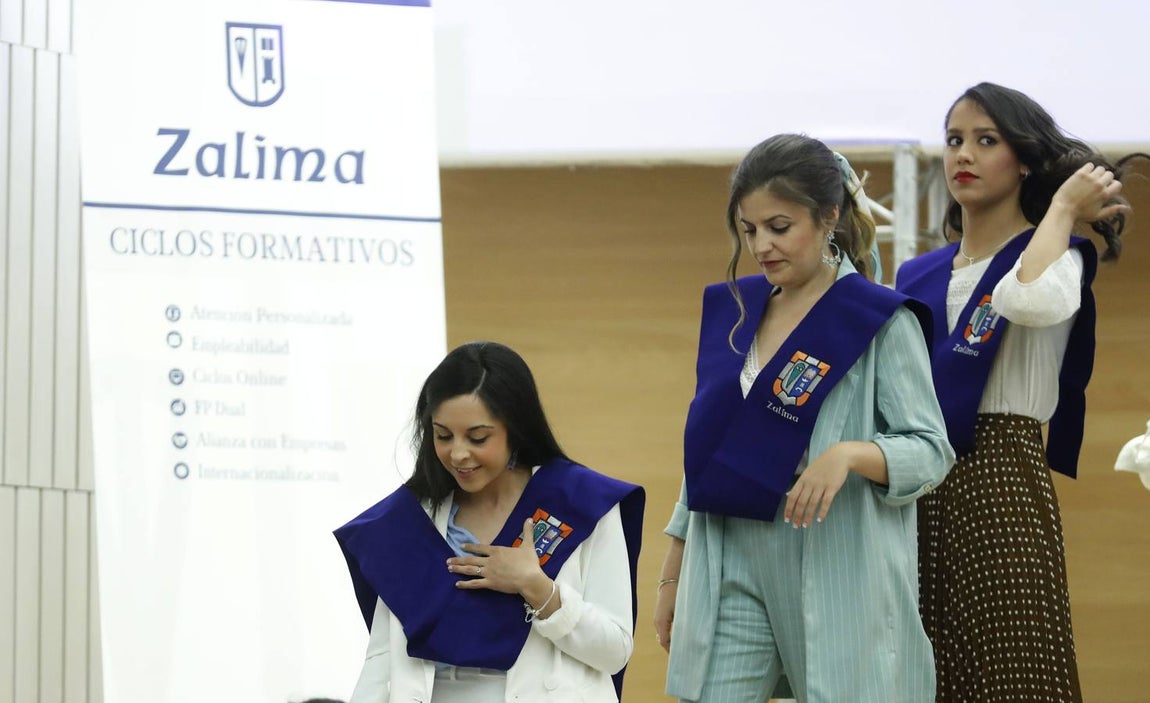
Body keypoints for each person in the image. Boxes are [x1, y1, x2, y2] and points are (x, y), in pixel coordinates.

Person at [654, 133, 955, 702]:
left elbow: (931, 448)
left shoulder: (880, 320)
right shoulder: (736, 313)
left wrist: (850, 454)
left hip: (835, 554)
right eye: (749, 230)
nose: (762, 245)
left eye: (779, 226)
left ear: (828, 217)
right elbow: (710, 452)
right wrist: (675, 569)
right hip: (730, 553)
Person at [895, 82, 1139, 703]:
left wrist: (1059, 211)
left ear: (1024, 159)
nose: (962, 156)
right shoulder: (915, 274)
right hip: (918, 481)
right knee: (930, 673)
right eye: (953, 141)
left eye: (985, 140)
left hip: (1005, 471)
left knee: (1017, 668)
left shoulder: (1060, 254)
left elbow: (1026, 300)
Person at [334, 342, 645, 703]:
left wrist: (538, 588)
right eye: (443, 435)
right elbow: (381, 664)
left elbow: (614, 650)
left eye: (478, 437)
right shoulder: (406, 520)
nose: (458, 453)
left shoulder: (583, 503)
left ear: (515, 428)